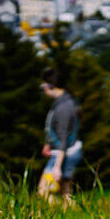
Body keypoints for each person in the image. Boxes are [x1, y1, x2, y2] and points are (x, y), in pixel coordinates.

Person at [38, 68, 82, 201]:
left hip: (63, 155)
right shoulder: (66, 102)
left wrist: (57, 167)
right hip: (69, 152)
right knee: (66, 194)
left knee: (43, 192)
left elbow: (63, 137)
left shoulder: (64, 106)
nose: (43, 90)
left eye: (43, 86)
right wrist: (49, 143)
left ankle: (54, 217)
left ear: (51, 86)